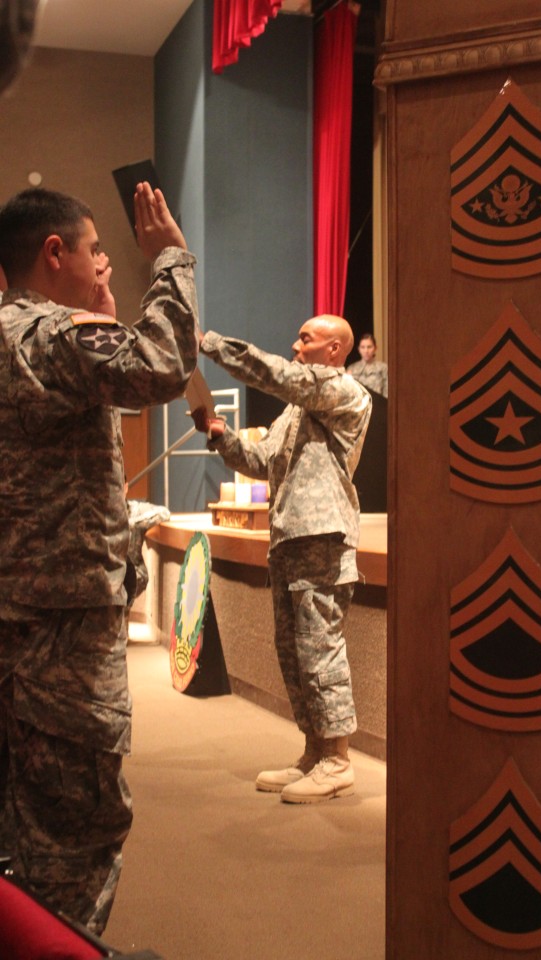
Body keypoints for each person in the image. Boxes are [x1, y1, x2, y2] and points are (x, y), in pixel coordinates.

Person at [0, 182, 199, 933]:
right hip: (61, 631)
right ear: (56, 253)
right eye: (98, 255)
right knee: (73, 830)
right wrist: (170, 258)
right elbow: (162, 365)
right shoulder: (51, 336)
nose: (106, 268)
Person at [191, 315, 371, 803]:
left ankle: (338, 760)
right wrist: (219, 435)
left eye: (306, 339)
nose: (295, 345)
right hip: (290, 539)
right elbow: (261, 461)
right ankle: (315, 752)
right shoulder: (295, 413)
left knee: (320, 650)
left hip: (321, 539)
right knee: (294, 654)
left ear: (334, 350)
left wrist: (209, 343)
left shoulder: (346, 392)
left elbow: (279, 375)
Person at [346, 331, 388, 398]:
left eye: (369, 347)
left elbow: (387, 392)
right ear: (359, 349)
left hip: (379, 404)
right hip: (358, 405)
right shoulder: (352, 368)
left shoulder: (383, 368)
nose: (366, 351)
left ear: (375, 348)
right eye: (363, 347)